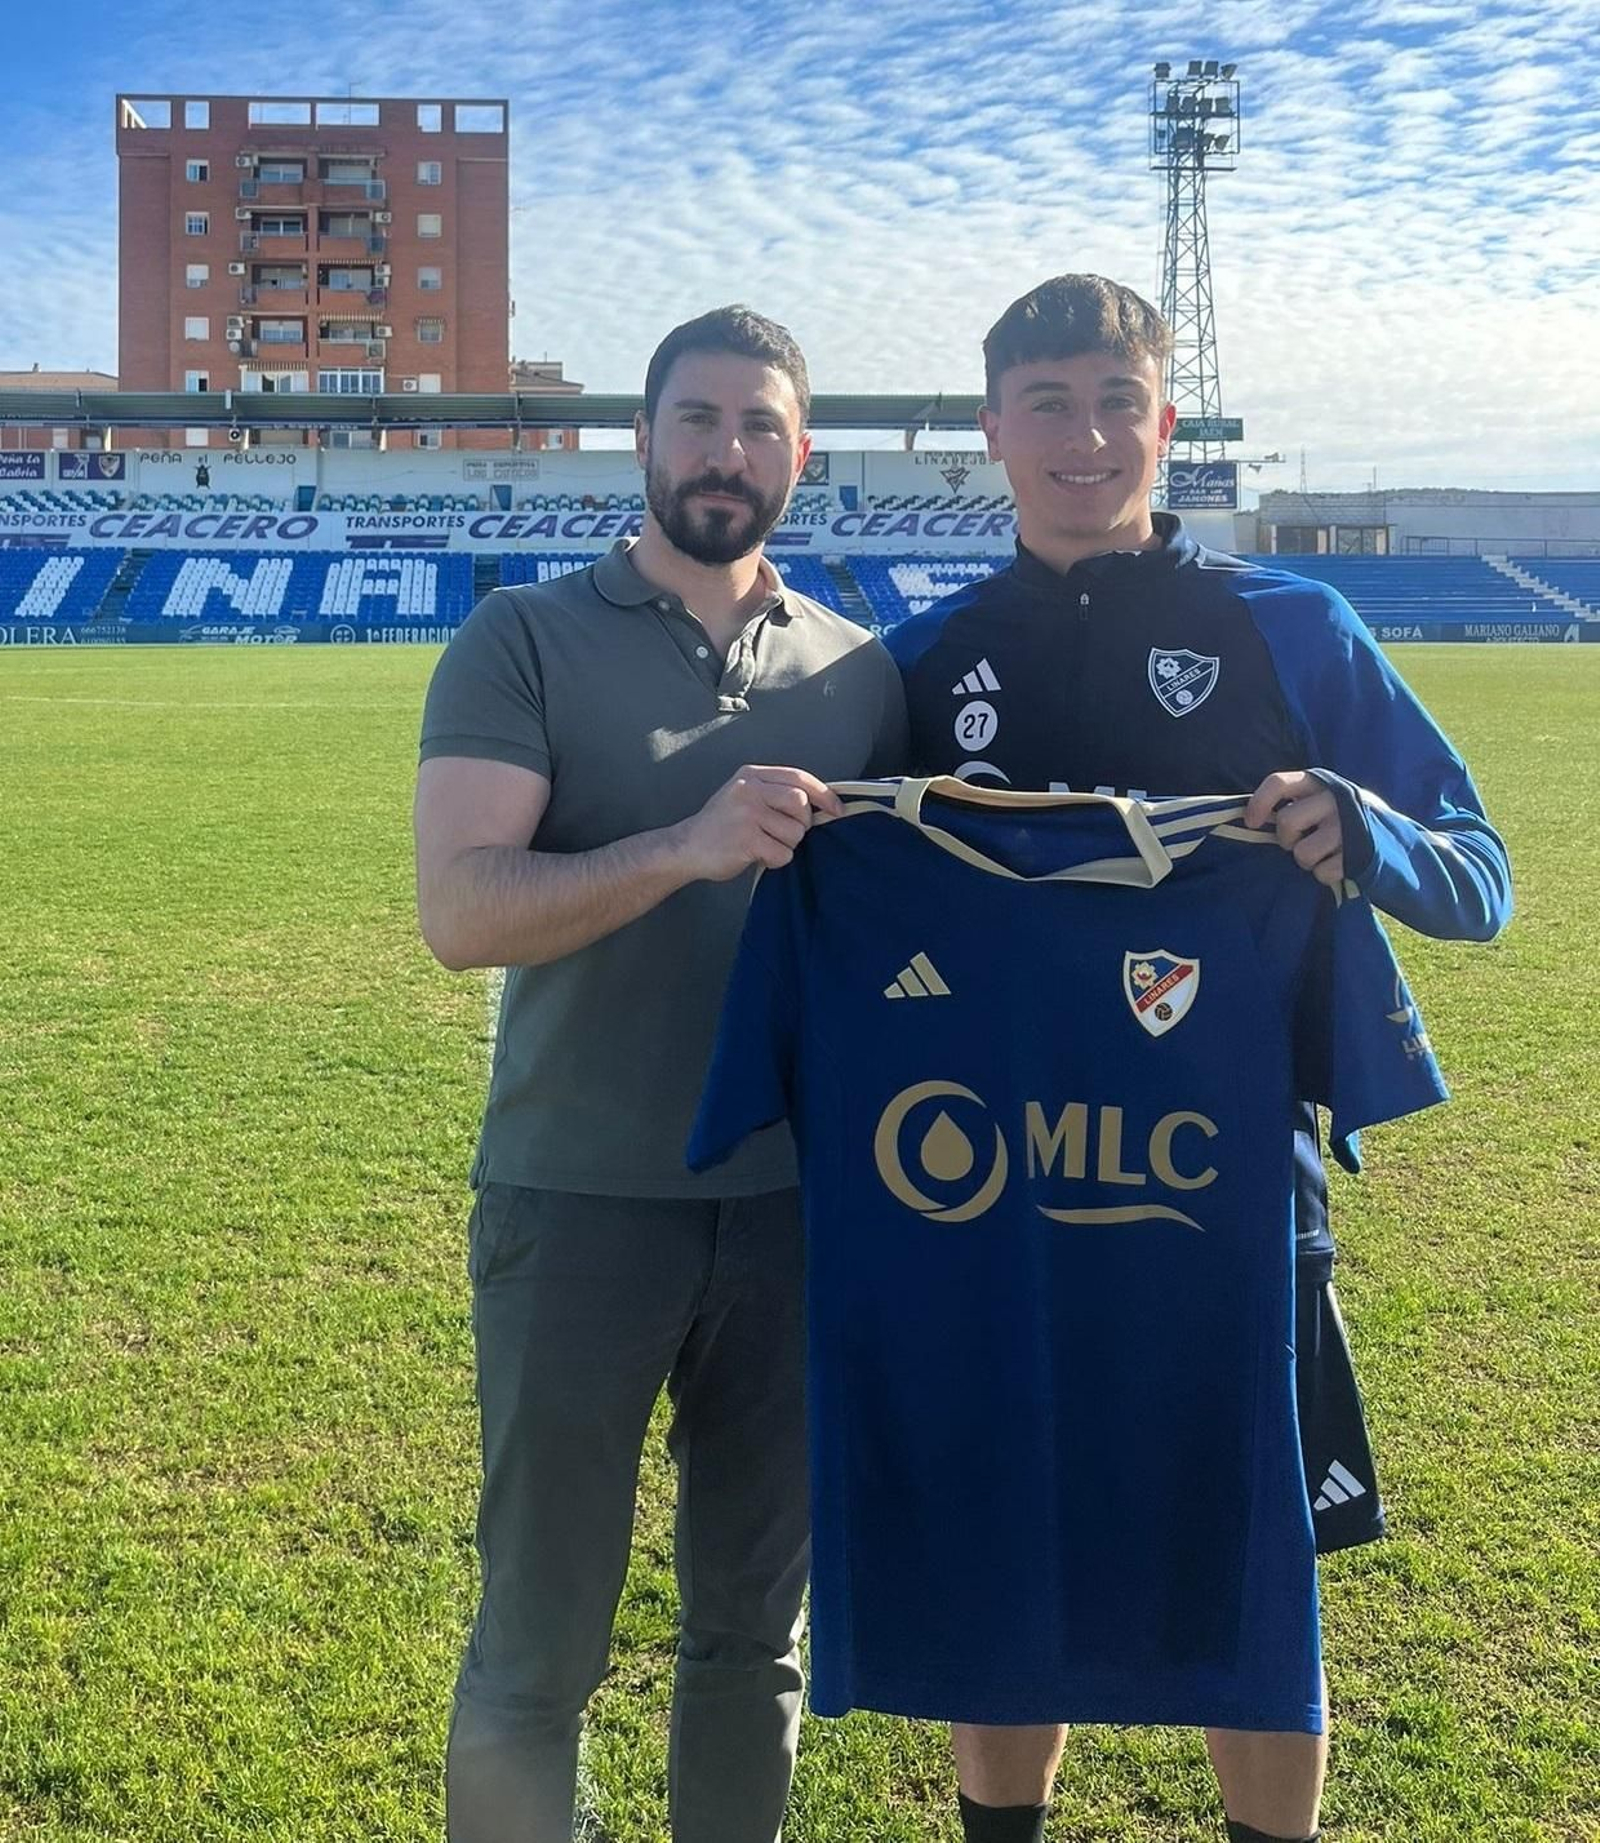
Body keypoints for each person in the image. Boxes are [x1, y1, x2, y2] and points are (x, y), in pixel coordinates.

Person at [884, 274, 1512, 1843]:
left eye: (1117, 402)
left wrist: (1364, 832)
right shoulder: (922, 659)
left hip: (1236, 1185)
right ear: (992, 431)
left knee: (1251, 1561)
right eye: (1047, 403)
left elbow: (1481, 877)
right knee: (1009, 1550)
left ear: (1166, 423)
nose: (1085, 437)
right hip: (994, 1189)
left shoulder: (1295, 625)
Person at [413, 304, 907, 1843]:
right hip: (578, 1198)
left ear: (800, 455)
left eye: (759, 426)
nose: (725, 453)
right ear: (642, 439)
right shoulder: (523, 638)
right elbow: (463, 913)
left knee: (753, 1641)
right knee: (537, 1646)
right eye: (696, 419)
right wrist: (686, 846)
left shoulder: (860, 671)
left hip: (797, 1211)